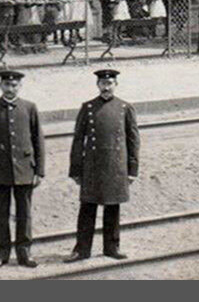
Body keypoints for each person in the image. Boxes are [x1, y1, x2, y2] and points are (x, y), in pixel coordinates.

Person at [65, 69, 140, 262]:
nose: (106, 87)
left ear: (116, 85)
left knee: (112, 207)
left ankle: (112, 248)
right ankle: (82, 250)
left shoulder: (125, 108)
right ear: (97, 85)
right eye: (103, 84)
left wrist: (132, 169)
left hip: (115, 166)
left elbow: (133, 141)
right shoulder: (88, 107)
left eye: (110, 83)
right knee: (87, 208)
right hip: (92, 166)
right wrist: (75, 169)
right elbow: (78, 140)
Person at [0, 69, 45, 268]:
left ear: (20, 86)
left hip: (25, 170)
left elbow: (38, 140)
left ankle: (25, 253)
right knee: (1, 215)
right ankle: (0, 254)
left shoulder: (29, 107)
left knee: (25, 214)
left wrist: (39, 171)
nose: (10, 89)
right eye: (6, 84)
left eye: (14, 85)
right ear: (0, 85)